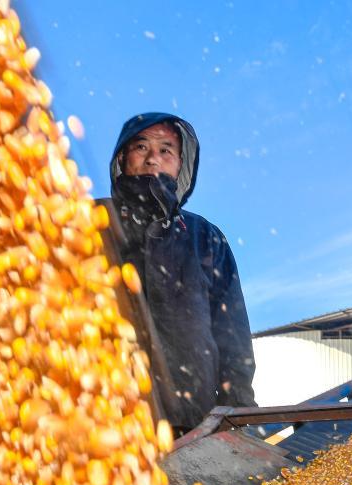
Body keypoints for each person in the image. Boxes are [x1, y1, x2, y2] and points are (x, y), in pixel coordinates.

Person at [107, 112, 256, 431]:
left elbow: (232, 337)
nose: (152, 158)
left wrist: (240, 414)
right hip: (105, 423)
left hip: (192, 423)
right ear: (122, 157)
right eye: (141, 147)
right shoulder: (88, 223)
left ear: (180, 165)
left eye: (166, 150)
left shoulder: (204, 237)